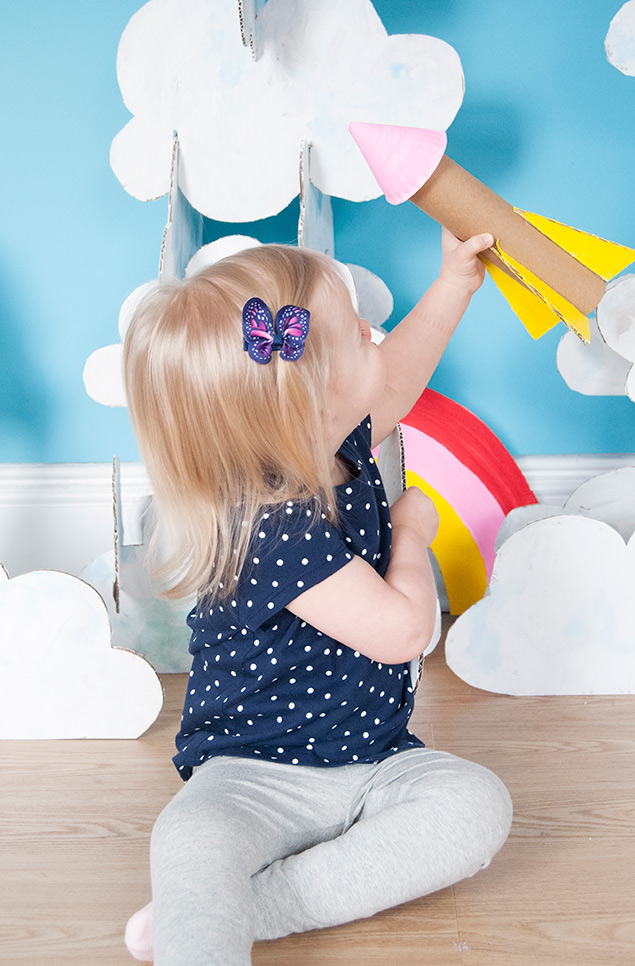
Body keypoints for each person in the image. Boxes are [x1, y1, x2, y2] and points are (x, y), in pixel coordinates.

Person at [122, 231, 512, 965]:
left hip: (376, 760)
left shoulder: (331, 442)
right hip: (254, 774)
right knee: (193, 837)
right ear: (312, 400)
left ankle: (254, 907)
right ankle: (206, 925)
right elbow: (401, 633)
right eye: (359, 336)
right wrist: (410, 534)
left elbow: (391, 384)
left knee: (476, 806)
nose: (374, 335)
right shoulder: (271, 525)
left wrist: (456, 282)